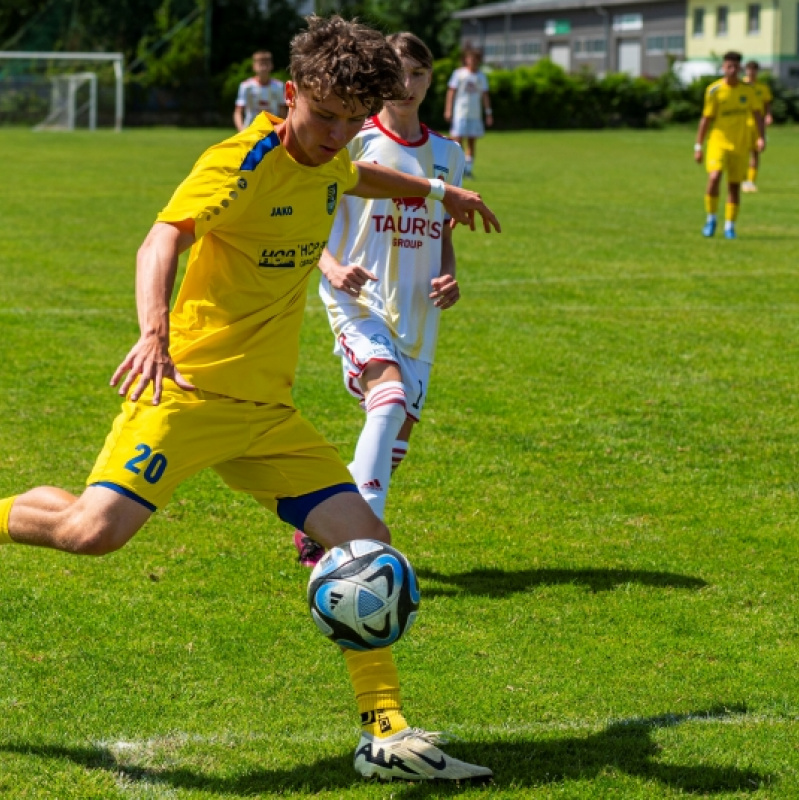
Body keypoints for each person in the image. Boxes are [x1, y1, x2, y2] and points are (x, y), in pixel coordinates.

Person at [0, 15, 499, 782]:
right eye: (322, 116)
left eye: (348, 121)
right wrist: (153, 330)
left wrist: (439, 189)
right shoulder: (244, 159)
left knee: (367, 547)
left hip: (268, 414)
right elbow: (162, 238)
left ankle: (384, 732)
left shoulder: (333, 159)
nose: (334, 135)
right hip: (188, 393)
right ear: (291, 94)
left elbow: (357, 176)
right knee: (90, 532)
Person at [293, 32, 466, 570]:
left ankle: (321, 526)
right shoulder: (356, 141)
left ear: (431, 78)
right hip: (358, 298)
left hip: (418, 309)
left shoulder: (448, 155)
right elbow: (309, 210)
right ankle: (362, 545)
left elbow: (443, 233)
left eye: (417, 73)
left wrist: (449, 275)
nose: (406, 85)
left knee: (397, 435)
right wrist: (331, 266)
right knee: (388, 401)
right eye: (397, 73)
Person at [694, 51, 765, 240]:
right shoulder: (714, 91)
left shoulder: (748, 91)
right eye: (728, 67)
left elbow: (758, 114)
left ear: (739, 68)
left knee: (734, 187)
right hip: (718, 142)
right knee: (715, 176)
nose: (732, 71)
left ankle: (729, 226)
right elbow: (706, 119)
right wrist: (698, 146)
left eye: (735, 67)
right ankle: (711, 218)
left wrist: (761, 137)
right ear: (723, 68)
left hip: (740, 145)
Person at [444, 48, 492, 178]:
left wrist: (488, 113)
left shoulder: (481, 76)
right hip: (460, 112)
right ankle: (456, 169)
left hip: (475, 114)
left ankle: (468, 170)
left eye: (475, 59)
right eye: (470, 58)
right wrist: (448, 109)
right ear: (466, 59)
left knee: (472, 142)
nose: (473, 61)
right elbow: (451, 92)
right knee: (457, 142)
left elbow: (485, 95)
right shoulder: (458, 74)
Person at [233, 50, 286, 131]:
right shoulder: (246, 86)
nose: (264, 68)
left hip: (272, 131)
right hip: (250, 129)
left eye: (266, 64)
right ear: (254, 66)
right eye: (261, 65)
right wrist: (241, 130)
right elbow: (238, 111)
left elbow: (282, 110)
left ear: (271, 66)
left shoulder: (278, 86)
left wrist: (282, 129)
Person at [741, 60, 773, 193]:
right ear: (745, 70)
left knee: (755, 152)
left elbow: (767, 104)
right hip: (742, 123)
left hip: (757, 124)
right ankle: (740, 179)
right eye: (749, 69)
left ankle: (750, 181)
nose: (751, 72)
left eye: (754, 69)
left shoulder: (762, 88)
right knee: (742, 153)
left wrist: (769, 115)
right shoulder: (741, 85)